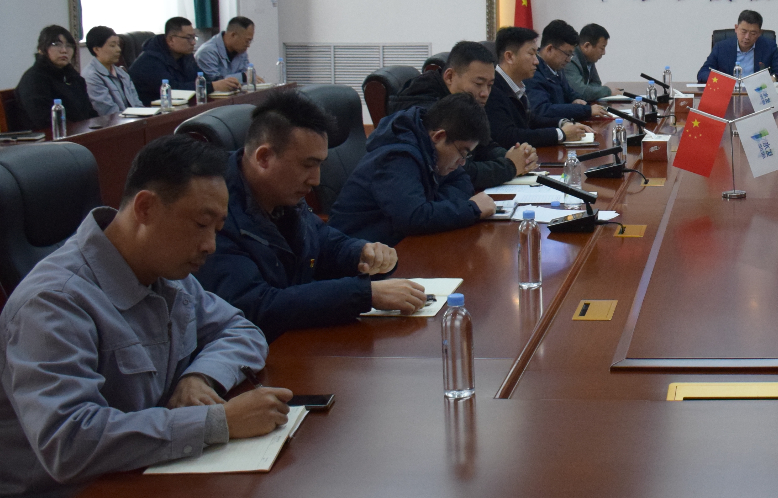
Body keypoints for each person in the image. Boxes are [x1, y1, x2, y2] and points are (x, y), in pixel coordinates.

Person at [0, 135, 286, 498]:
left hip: (138, 479)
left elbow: (241, 329)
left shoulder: (167, 273)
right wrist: (215, 422)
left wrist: (200, 377)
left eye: (217, 228)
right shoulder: (53, 302)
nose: (210, 245)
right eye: (201, 225)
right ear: (145, 208)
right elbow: (69, 442)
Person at [199, 91, 425, 341]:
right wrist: (366, 294)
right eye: (307, 165)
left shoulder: (281, 192)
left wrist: (361, 252)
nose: (316, 179)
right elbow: (255, 305)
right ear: (263, 158)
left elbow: (322, 239)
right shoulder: (213, 212)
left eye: (320, 165)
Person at [330, 93, 500, 246]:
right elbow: (413, 217)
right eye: (462, 152)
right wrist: (471, 209)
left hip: (396, 244)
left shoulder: (432, 149)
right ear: (439, 136)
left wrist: (431, 206)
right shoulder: (397, 156)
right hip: (357, 253)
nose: (462, 162)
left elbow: (463, 182)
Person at [390, 40, 535, 189]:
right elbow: (457, 171)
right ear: (450, 76)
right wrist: (510, 166)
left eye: (490, 85)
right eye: (478, 84)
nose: (485, 93)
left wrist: (514, 156)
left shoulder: (462, 102)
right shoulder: (427, 111)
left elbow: (482, 144)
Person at [488, 26, 592, 148]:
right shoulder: (492, 89)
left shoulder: (516, 86)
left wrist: (562, 123)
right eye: (531, 54)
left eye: (535, 54)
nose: (536, 61)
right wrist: (561, 134)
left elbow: (531, 120)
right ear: (509, 57)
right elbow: (509, 136)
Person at [14, 25, 96, 131]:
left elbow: (89, 112)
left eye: (69, 45)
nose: (64, 50)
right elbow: (44, 121)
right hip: (50, 137)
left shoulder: (73, 76)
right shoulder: (34, 79)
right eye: (56, 44)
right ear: (41, 49)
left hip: (80, 133)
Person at [527, 20, 609, 124]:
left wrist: (577, 100)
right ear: (550, 49)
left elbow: (570, 93)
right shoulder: (532, 72)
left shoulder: (557, 69)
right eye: (567, 54)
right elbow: (543, 110)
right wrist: (586, 110)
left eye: (571, 55)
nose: (569, 60)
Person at [697, 9, 778, 83]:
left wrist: (773, 78)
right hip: (728, 94)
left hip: (758, 94)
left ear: (759, 33)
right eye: (743, 31)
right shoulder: (721, 47)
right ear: (736, 28)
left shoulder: (769, 47)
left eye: (753, 33)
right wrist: (721, 80)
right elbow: (703, 73)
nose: (747, 37)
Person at [130, 16, 200, 104]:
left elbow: (201, 78)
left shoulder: (185, 55)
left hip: (178, 106)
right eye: (188, 38)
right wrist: (211, 86)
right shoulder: (150, 61)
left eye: (194, 37)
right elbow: (173, 90)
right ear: (171, 40)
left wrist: (209, 85)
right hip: (152, 110)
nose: (193, 42)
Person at [82, 26, 141, 116]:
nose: (118, 49)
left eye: (118, 45)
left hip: (132, 121)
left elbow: (137, 104)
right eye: (112, 45)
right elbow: (108, 112)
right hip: (112, 123)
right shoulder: (91, 76)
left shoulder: (122, 73)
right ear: (96, 49)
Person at [194, 16, 254, 91]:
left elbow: (248, 73)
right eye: (247, 41)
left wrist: (249, 78)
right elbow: (215, 83)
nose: (248, 45)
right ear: (233, 35)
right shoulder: (207, 52)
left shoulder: (240, 51)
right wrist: (243, 77)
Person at [563, 23, 612, 101]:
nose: (604, 53)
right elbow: (581, 93)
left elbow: (597, 84)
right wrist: (608, 91)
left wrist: (587, 89)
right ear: (587, 46)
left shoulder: (589, 59)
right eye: (602, 48)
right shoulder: (570, 61)